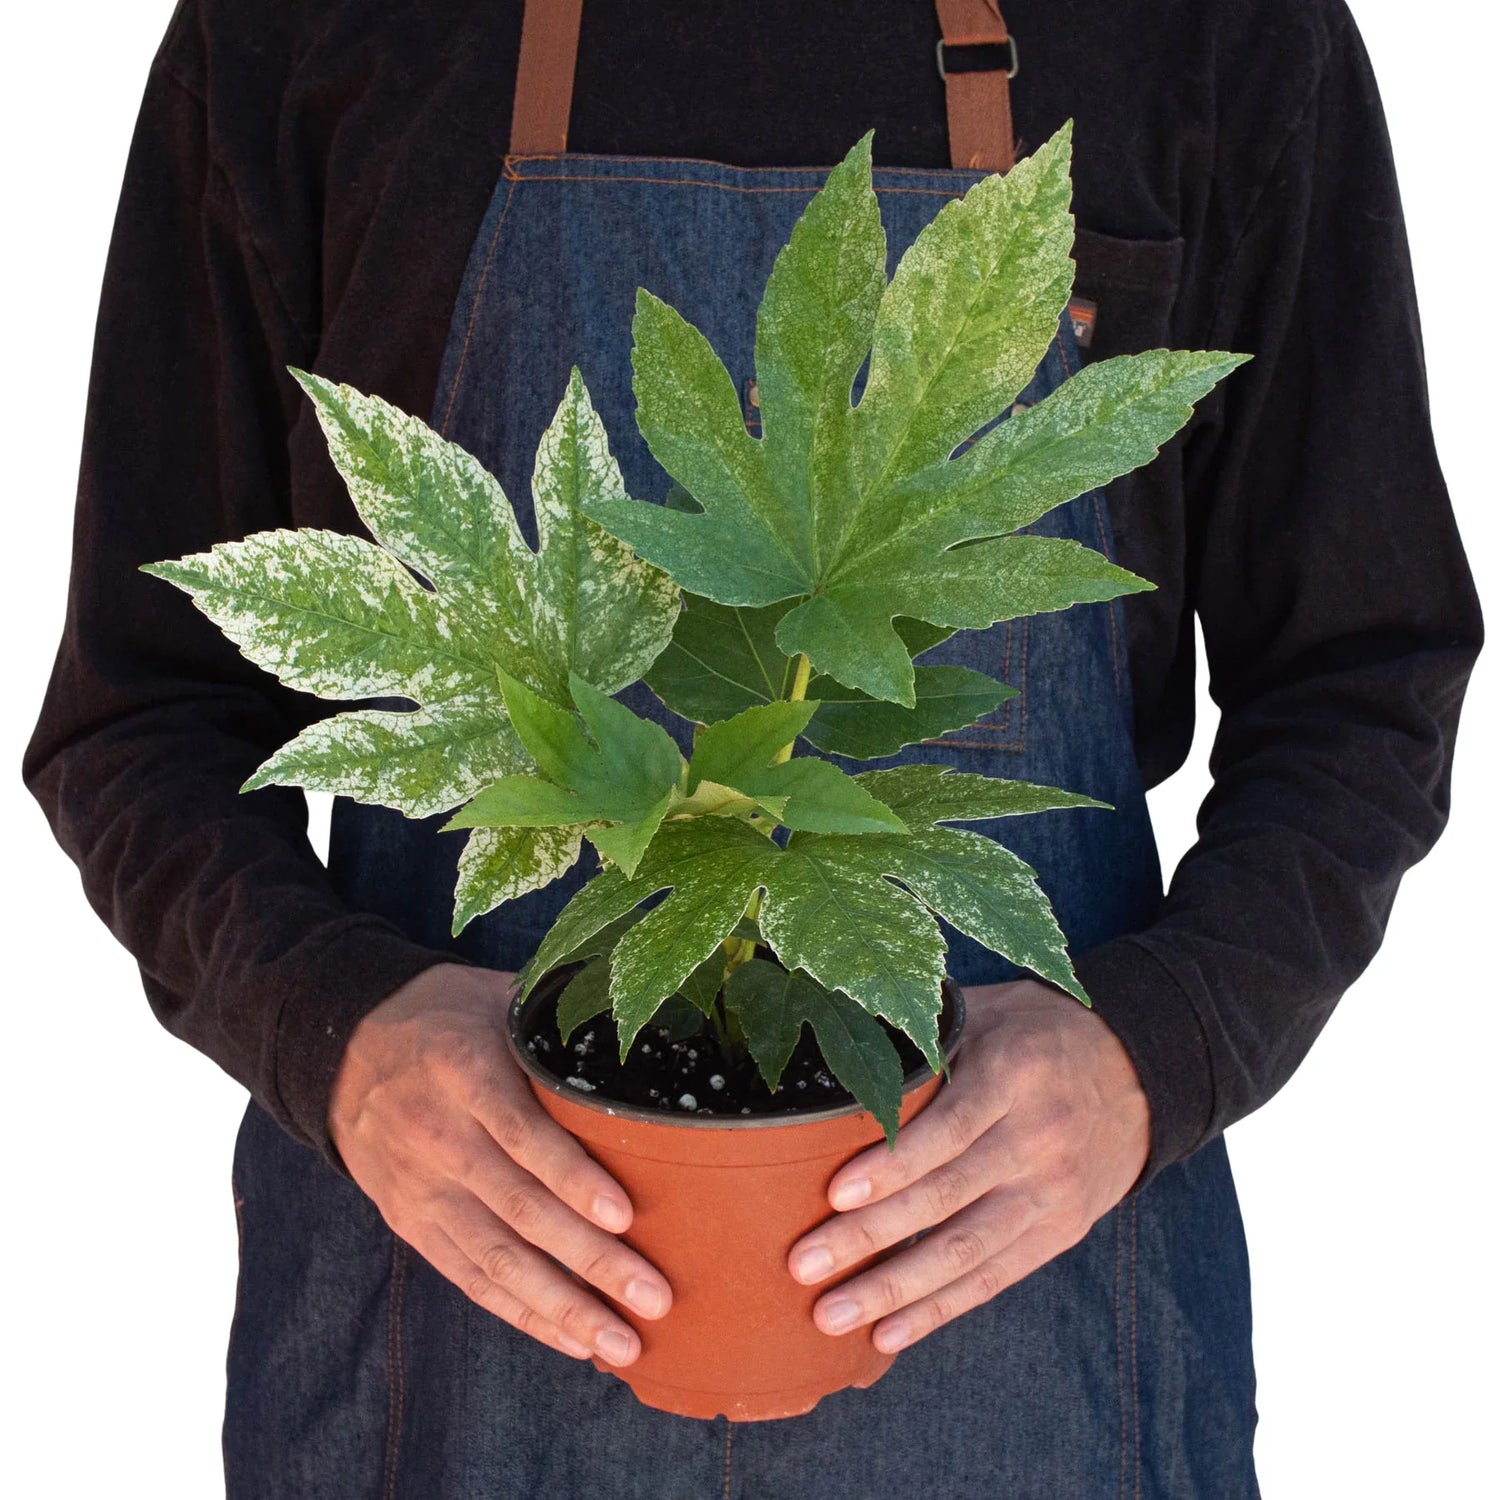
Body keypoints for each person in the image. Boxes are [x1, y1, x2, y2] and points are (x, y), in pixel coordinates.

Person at [23, 0, 1482, 1494]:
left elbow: (1365, 675)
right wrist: (330, 1029)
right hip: (451, 1343)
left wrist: (1163, 1044)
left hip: (1031, 1329)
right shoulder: (307, 30)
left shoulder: (1221, 33)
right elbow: (142, 715)